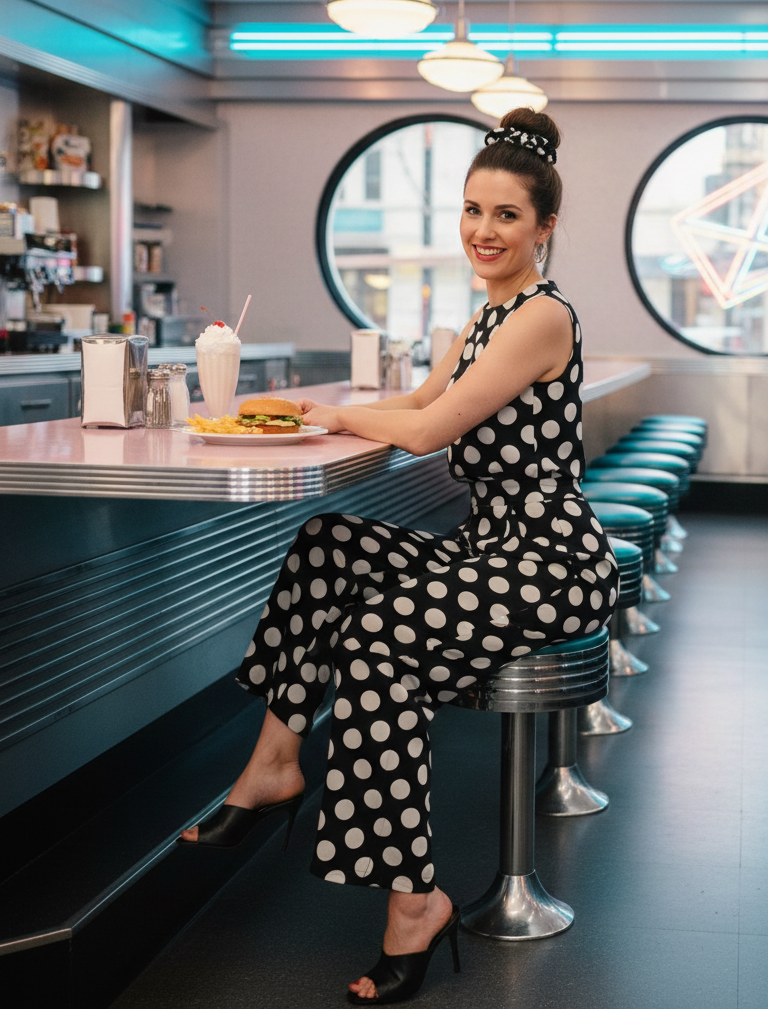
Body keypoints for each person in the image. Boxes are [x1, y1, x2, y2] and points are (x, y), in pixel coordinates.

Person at [180, 107, 619, 1004]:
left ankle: (413, 902)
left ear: (545, 227)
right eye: (470, 210)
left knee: (378, 634)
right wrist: (321, 414)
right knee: (328, 543)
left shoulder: (541, 317)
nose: (482, 231)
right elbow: (423, 398)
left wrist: (342, 416)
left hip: (551, 563)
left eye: (504, 215)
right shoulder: (489, 317)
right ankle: (273, 763)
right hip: (493, 548)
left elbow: (424, 431)